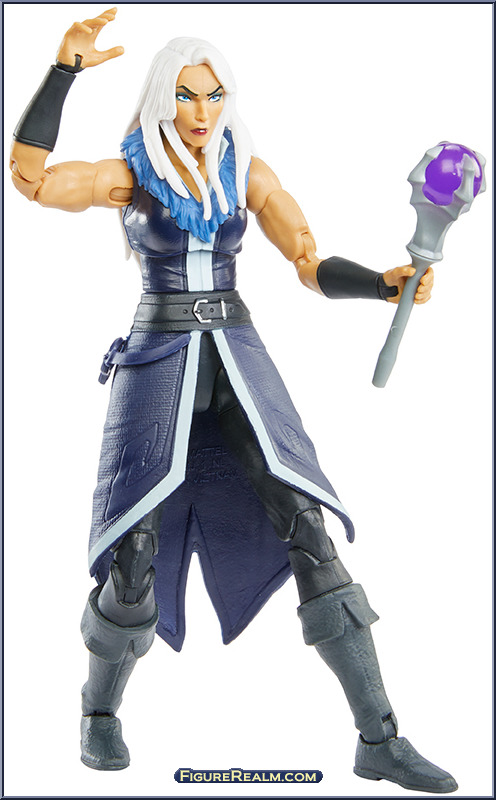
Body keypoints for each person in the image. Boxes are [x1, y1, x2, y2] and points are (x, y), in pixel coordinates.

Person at [10, 8, 457, 792]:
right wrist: (64, 72)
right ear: (163, 100)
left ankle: (380, 739)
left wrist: (382, 285)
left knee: (308, 528)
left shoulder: (245, 169)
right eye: (187, 95)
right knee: (134, 552)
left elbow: (307, 260)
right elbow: (33, 179)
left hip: (238, 361)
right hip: (158, 358)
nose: (202, 110)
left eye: (214, 94)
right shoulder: (131, 171)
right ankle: (98, 713)